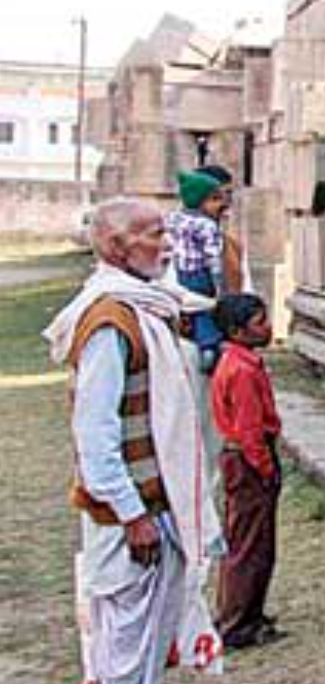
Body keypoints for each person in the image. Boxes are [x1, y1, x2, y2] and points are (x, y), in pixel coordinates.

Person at [43, 198, 224, 684]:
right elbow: (95, 434)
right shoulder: (110, 321)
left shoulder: (146, 307)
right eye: (152, 235)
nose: (167, 245)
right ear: (118, 249)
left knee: (143, 652)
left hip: (156, 508)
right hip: (134, 520)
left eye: (165, 232)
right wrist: (132, 514)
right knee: (126, 659)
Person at [211, 293, 285, 650]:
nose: (268, 328)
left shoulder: (241, 363)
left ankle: (245, 613)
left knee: (252, 540)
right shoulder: (240, 371)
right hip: (249, 461)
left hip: (244, 458)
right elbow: (250, 429)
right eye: (259, 323)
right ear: (237, 331)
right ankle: (237, 623)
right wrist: (266, 469)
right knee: (249, 545)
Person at [166, 170, 228, 371]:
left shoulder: (173, 219)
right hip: (200, 274)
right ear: (200, 201)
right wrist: (219, 284)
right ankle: (208, 346)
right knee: (204, 309)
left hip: (178, 273)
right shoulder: (206, 225)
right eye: (215, 199)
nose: (222, 205)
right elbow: (213, 257)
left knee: (186, 307)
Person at [195, 165, 252, 294]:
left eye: (228, 194)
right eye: (215, 197)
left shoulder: (234, 246)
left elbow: (244, 293)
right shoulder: (169, 242)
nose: (225, 203)